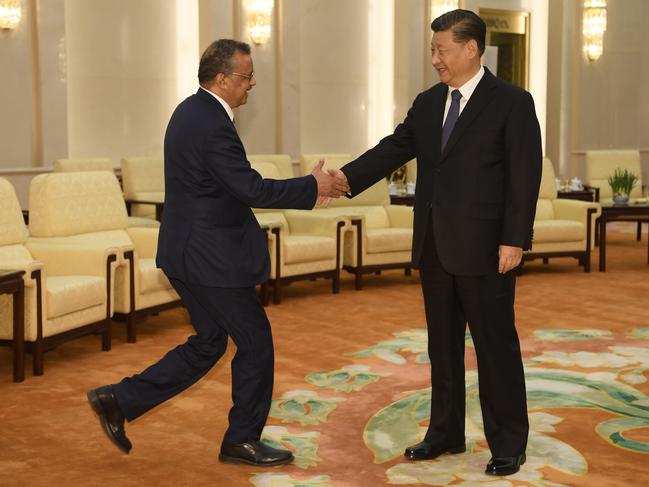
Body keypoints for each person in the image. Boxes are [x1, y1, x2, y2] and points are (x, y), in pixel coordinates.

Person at [87, 39, 349, 467]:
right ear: (224, 79)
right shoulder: (210, 123)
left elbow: (226, 188)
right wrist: (311, 186)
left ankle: (119, 399)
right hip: (209, 257)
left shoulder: (194, 111)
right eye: (247, 77)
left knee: (209, 342)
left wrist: (306, 187)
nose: (252, 84)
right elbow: (250, 187)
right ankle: (242, 440)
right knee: (256, 343)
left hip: (190, 252)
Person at [331, 10, 541, 476]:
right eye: (432, 50)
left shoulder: (512, 102)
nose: (435, 59)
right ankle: (445, 432)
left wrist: (514, 239)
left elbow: (525, 177)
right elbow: (394, 147)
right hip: (435, 246)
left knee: (495, 346)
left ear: (471, 48)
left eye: (441, 49)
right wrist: (344, 179)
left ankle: (508, 441)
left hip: (488, 248)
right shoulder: (428, 103)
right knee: (441, 347)